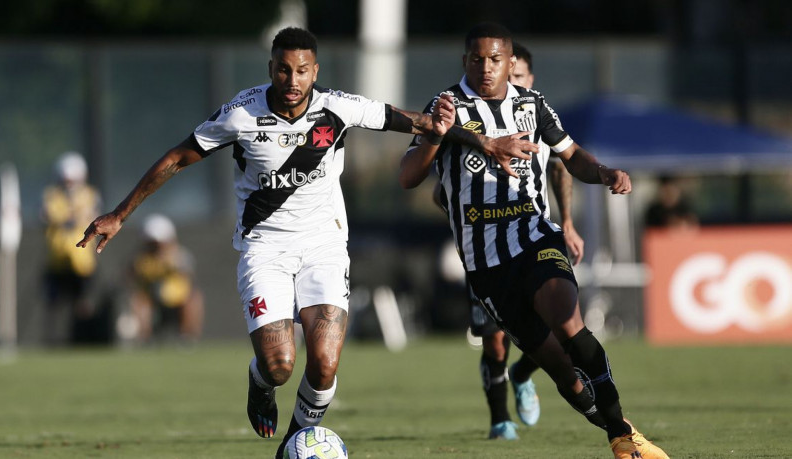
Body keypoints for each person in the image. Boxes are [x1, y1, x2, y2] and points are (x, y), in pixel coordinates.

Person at [77, 27, 531, 458]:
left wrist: (483, 143)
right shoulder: (242, 112)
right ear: (271, 67)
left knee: (326, 363)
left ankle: (292, 445)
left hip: (325, 247)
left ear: (315, 71)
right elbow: (179, 155)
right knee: (279, 364)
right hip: (264, 250)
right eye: (282, 70)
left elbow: (413, 121)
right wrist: (120, 213)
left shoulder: (337, 108)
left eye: (302, 71)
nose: (292, 81)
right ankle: (261, 382)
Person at [399, 23, 668, 459]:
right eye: (477, 59)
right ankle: (606, 420)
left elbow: (570, 156)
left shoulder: (532, 104)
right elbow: (408, 176)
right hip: (485, 261)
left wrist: (604, 173)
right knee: (564, 373)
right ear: (464, 61)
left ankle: (622, 439)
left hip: (534, 234)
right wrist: (437, 134)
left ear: (511, 63)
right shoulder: (445, 106)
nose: (486, 68)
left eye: (495, 60)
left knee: (568, 321)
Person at [455, 41, 587, 440]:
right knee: (494, 339)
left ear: (527, 78)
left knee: (558, 326)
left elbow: (563, 167)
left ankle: (524, 374)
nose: (502, 79)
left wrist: (567, 221)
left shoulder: (536, 116)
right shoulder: (471, 121)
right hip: (485, 245)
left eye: (514, 75)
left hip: (533, 237)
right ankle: (499, 419)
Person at [41, 151, 102, 345]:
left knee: (83, 302)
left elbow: (92, 213)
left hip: (82, 261)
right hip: (57, 259)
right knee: (54, 303)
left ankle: (84, 338)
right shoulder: (52, 196)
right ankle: (54, 340)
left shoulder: (90, 195)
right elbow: (49, 215)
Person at [128, 214, 204, 343]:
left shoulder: (180, 256)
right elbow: (129, 278)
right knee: (139, 301)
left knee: (194, 299)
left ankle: (188, 337)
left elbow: (189, 277)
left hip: (177, 299)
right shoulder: (140, 259)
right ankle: (145, 338)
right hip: (151, 299)